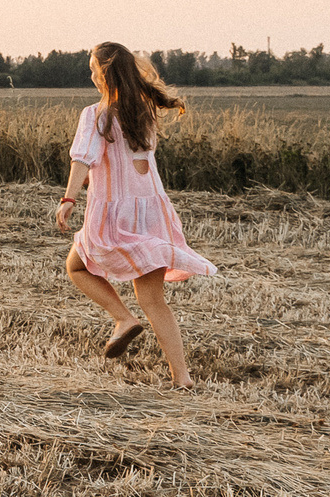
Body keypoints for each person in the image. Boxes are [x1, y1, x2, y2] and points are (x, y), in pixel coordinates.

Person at [55, 42, 216, 389]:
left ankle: (123, 319)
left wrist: (69, 198)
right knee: (153, 300)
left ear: (106, 72)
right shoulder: (143, 110)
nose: (90, 74)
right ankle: (182, 377)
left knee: (76, 266)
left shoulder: (96, 114)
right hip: (152, 210)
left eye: (93, 68)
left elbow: (82, 159)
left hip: (113, 210)